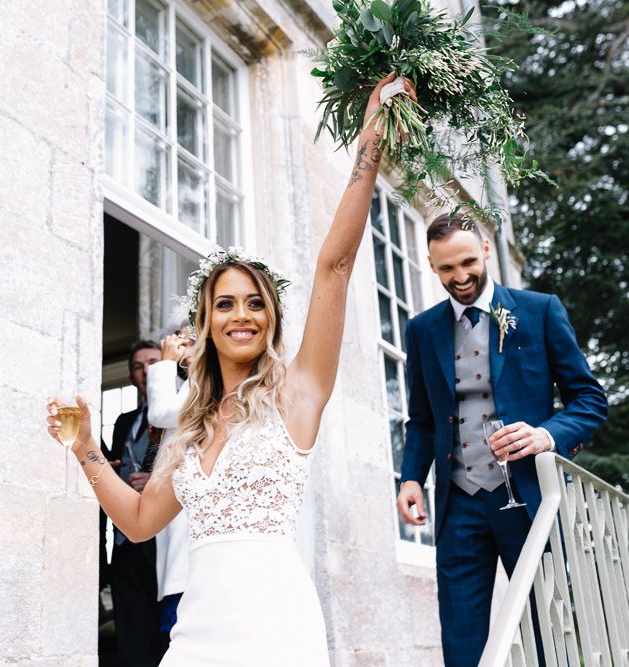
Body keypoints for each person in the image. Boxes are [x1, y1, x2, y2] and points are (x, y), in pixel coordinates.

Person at [47, 73, 408, 666]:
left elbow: (335, 266)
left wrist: (373, 133)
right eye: (225, 304)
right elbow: (138, 522)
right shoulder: (189, 428)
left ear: (270, 316)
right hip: (194, 635)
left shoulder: (299, 394)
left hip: (275, 629)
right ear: (206, 323)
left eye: (255, 301)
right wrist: (86, 446)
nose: (242, 315)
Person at [395, 217, 609, 667]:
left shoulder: (540, 310)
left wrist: (545, 435)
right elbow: (422, 420)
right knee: (463, 639)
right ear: (431, 265)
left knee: (551, 633)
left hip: (529, 498)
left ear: (487, 250)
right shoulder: (422, 330)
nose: (460, 276)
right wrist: (411, 478)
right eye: (447, 268)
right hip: (460, 504)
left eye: (469, 261)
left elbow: (589, 400)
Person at [107, 339, 164, 667]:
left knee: (163, 630)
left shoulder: (180, 414)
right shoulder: (123, 422)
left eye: (153, 363)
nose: (145, 372)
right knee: (131, 630)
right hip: (124, 541)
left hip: (161, 538)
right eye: (138, 366)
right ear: (131, 375)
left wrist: (154, 482)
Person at [146, 324, 195, 649]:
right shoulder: (192, 383)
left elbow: (162, 412)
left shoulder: (207, 380)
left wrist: (163, 363)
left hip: (190, 564)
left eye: (187, 339)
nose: (178, 346)